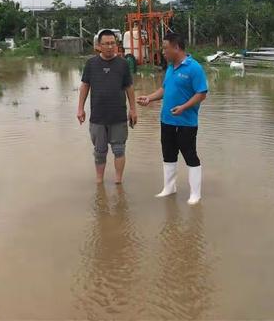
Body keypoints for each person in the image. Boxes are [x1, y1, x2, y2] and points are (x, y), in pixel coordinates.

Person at [137, 32, 208, 205]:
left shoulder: (194, 68)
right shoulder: (170, 67)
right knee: (168, 154)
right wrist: (149, 98)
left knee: (190, 155)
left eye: (165, 48)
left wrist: (184, 107)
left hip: (186, 122)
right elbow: (164, 89)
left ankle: (195, 194)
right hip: (167, 120)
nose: (163, 51)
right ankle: (169, 188)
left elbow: (202, 93)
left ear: (176, 47)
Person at [77, 29, 137, 184]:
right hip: (97, 117)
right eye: (106, 44)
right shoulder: (91, 64)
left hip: (118, 116)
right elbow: (85, 86)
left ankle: (118, 182)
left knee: (119, 150)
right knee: (99, 152)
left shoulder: (123, 64)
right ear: (99, 46)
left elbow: (129, 87)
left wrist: (133, 109)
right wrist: (80, 108)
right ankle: (99, 182)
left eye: (113, 43)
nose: (110, 47)